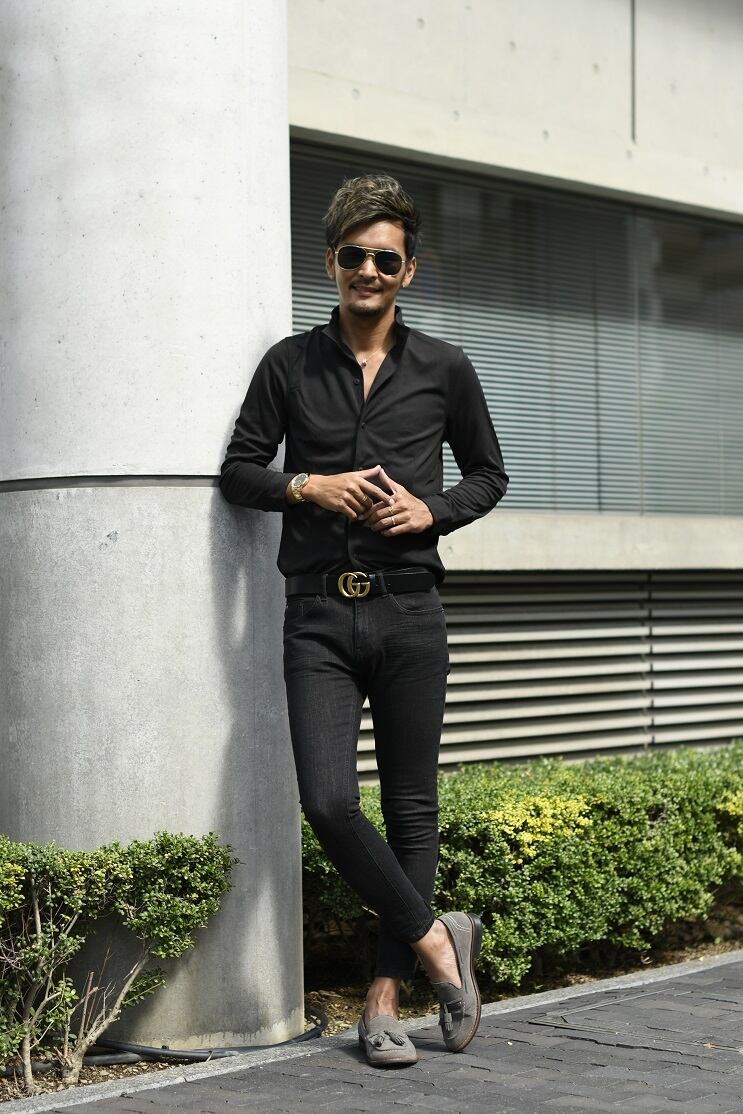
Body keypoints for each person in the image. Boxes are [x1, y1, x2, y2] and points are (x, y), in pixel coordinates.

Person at [219, 173, 509, 1067]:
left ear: (408, 270)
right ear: (331, 263)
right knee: (330, 803)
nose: (368, 271)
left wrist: (431, 512)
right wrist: (306, 485)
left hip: (410, 613)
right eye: (354, 256)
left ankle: (382, 1004)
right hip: (316, 616)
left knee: (411, 809)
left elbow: (488, 474)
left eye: (386, 259)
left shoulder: (444, 367)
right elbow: (239, 470)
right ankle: (438, 944)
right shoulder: (289, 365)